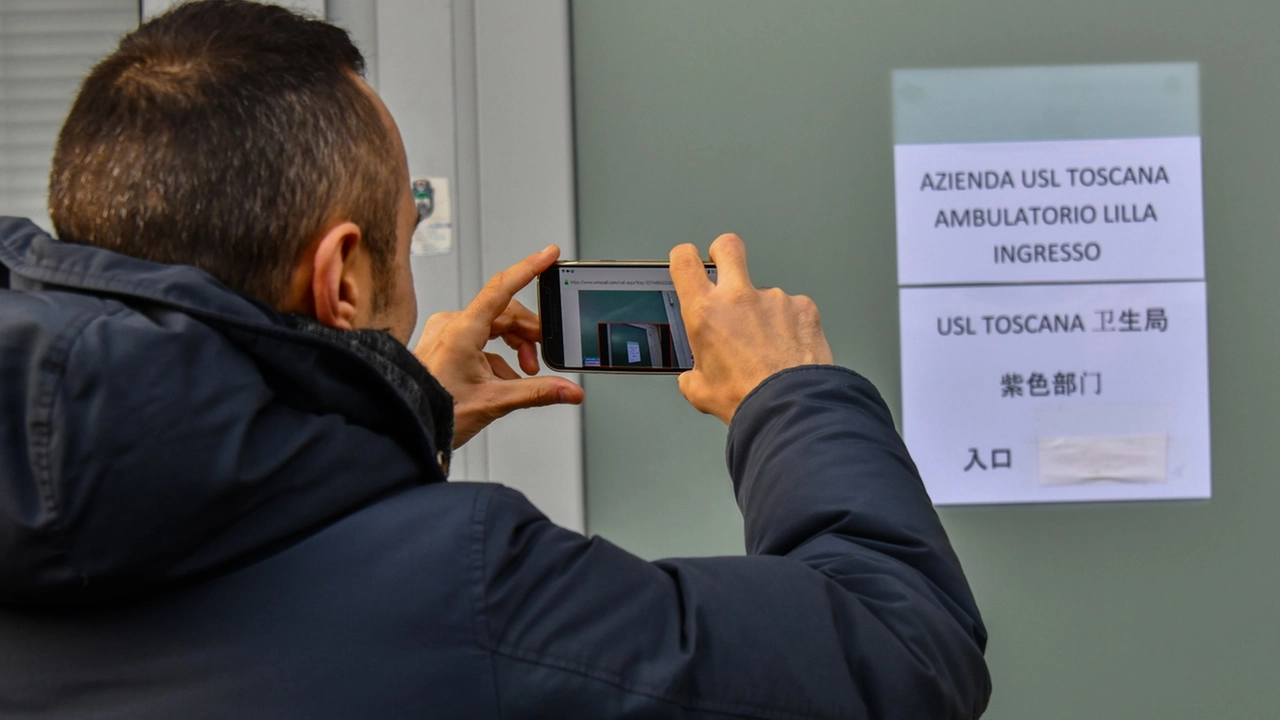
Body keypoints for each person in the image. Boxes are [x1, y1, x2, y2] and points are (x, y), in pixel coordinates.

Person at [0, 1, 990, 718]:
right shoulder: (469, 588)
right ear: (342, 279)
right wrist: (792, 394)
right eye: (408, 220)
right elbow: (903, 656)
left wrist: (385, 414)